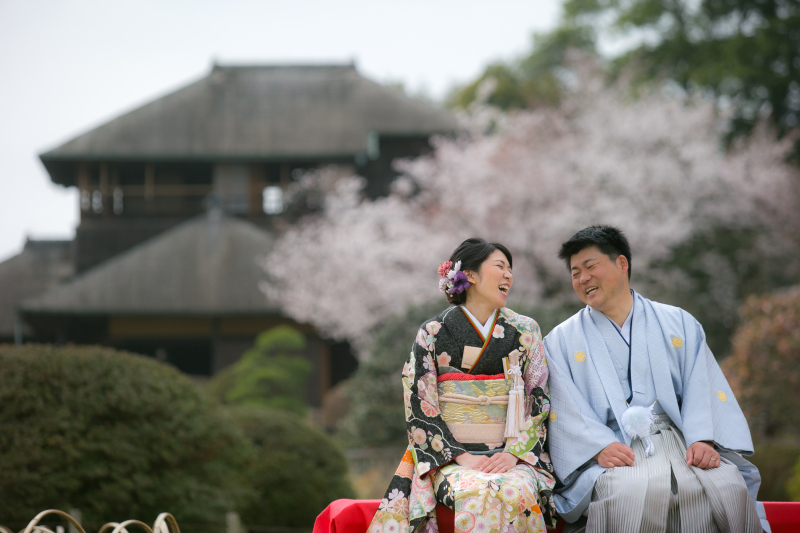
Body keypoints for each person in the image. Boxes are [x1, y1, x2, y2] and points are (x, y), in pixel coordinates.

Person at [543, 225, 770, 533]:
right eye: (574, 273)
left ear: (622, 264)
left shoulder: (678, 322)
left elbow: (701, 384)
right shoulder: (560, 341)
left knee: (727, 485)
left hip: (680, 439)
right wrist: (598, 447)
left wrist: (702, 438)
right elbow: (564, 409)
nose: (583, 279)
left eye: (590, 266)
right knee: (627, 492)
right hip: (615, 447)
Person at [369, 238, 557, 533]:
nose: (509, 275)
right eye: (500, 266)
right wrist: (461, 457)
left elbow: (539, 399)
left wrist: (513, 453)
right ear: (469, 275)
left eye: (510, 269)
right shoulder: (433, 331)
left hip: (512, 454)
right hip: (452, 457)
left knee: (516, 491)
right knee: (475, 492)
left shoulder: (525, 330)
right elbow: (419, 400)